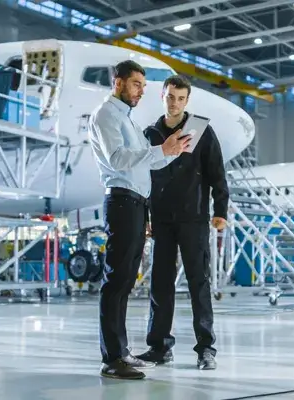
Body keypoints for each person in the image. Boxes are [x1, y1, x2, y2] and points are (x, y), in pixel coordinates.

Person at [88, 60, 191, 380]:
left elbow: (143, 164)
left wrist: (169, 151)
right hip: (120, 202)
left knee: (124, 282)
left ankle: (121, 352)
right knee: (116, 281)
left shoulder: (127, 120)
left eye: (143, 87)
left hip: (134, 204)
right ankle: (112, 358)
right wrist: (160, 150)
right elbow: (117, 159)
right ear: (117, 82)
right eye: (136, 85)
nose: (141, 92)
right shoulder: (106, 115)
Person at [135, 75, 229, 370]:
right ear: (162, 97)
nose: (174, 103)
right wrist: (145, 216)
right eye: (170, 97)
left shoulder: (201, 132)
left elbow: (217, 175)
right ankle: (159, 347)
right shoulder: (150, 133)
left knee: (198, 283)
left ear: (187, 101)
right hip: (162, 220)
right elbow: (142, 178)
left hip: (194, 219)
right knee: (160, 285)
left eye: (180, 98)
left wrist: (220, 211)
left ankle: (206, 348)